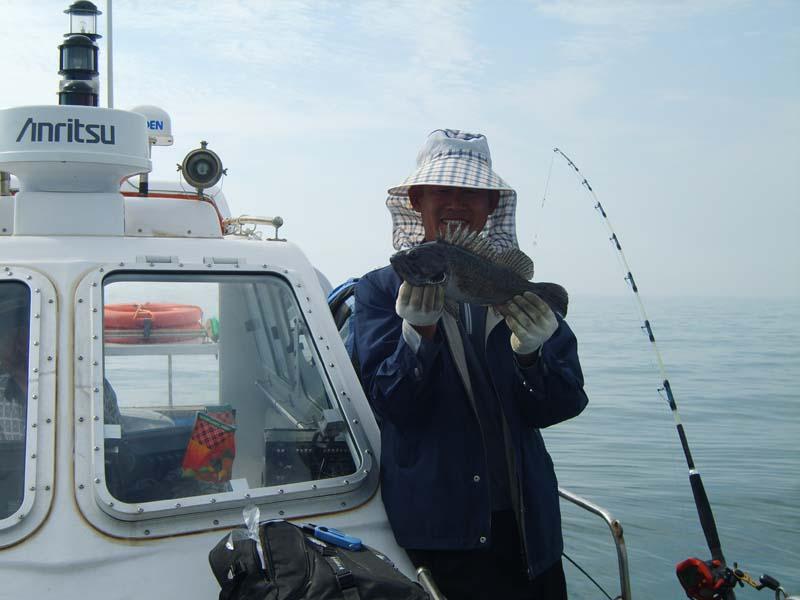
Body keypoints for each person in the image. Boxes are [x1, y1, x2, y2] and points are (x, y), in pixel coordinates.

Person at [350, 129, 589, 599]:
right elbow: (393, 406)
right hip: (443, 535)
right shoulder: (380, 291)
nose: (457, 202)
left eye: (472, 192)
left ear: (491, 205)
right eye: (442, 189)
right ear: (417, 200)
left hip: (531, 529)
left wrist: (532, 355)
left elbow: (564, 401)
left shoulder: (515, 293)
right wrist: (417, 335)